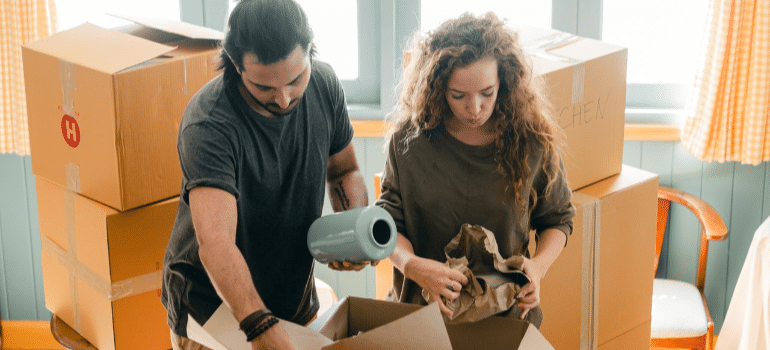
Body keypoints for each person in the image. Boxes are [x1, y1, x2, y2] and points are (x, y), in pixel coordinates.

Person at [161, 0, 372, 349]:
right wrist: (258, 325)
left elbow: (344, 170)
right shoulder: (208, 123)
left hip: (290, 297)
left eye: (295, 79)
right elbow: (216, 243)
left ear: (310, 52)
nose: (285, 99)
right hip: (212, 309)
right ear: (234, 64)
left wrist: (353, 228)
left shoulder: (324, 84)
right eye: (264, 88)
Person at [375, 12, 576, 328]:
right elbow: (386, 223)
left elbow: (558, 219)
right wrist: (411, 265)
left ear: (504, 81)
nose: (475, 108)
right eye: (459, 96)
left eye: (487, 92)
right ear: (439, 87)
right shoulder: (409, 141)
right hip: (424, 320)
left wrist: (537, 268)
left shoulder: (532, 141)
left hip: (507, 320)